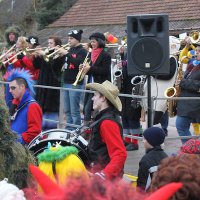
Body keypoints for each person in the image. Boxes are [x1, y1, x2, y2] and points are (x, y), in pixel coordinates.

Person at [85, 80, 127, 180]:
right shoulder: (103, 117)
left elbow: (120, 154)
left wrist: (103, 175)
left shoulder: (108, 122)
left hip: (106, 180)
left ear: (103, 98)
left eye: (95, 95)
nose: (92, 98)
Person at [33, 36, 65, 130]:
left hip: (53, 85)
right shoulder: (46, 54)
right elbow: (37, 66)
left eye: (51, 43)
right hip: (43, 84)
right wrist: (36, 57)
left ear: (57, 45)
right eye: (48, 43)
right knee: (41, 107)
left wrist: (44, 54)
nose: (48, 45)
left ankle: (50, 130)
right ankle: (41, 130)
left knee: (51, 109)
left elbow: (54, 66)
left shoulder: (59, 55)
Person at [58, 29, 87, 130]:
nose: (68, 40)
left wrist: (66, 54)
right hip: (66, 82)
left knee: (75, 110)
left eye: (71, 38)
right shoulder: (70, 50)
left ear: (77, 40)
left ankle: (76, 130)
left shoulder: (82, 51)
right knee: (67, 110)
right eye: (68, 38)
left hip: (75, 83)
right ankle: (69, 129)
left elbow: (78, 63)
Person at [80, 32, 111, 125]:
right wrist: (83, 68)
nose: (92, 44)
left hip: (100, 85)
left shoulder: (106, 55)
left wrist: (90, 68)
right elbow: (90, 71)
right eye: (91, 42)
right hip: (90, 85)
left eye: (94, 42)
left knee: (93, 109)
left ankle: (89, 129)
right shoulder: (90, 54)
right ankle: (87, 129)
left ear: (100, 42)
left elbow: (105, 71)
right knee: (87, 108)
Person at [5, 68, 42, 145]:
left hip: (22, 151)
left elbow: (34, 134)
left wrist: (14, 140)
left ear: (22, 87)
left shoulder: (32, 106)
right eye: (9, 88)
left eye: (13, 88)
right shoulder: (15, 104)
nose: (10, 91)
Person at [176, 44, 200, 144]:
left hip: (193, 102)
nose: (196, 53)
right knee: (181, 126)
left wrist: (182, 82)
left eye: (199, 52)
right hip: (186, 101)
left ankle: (190, 149)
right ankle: (191, 149)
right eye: (197, 51)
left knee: (181, 125)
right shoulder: (193, 65)